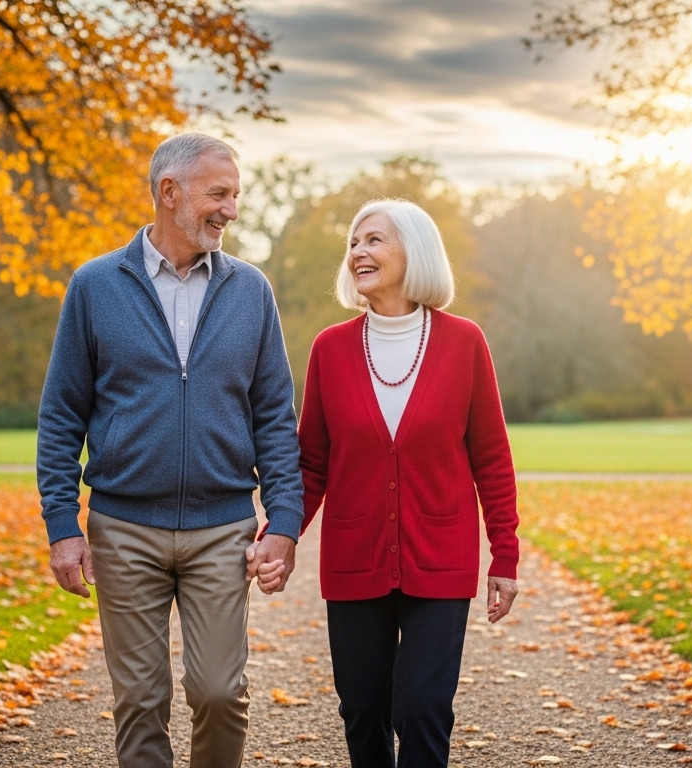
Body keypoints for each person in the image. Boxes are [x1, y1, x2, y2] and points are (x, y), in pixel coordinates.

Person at [37, 132, 303, 768]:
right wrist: (62, 526)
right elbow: (61, 415)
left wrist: (284, 522)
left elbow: (274, 416)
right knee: (139, 699)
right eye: (219, 194)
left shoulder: (250, 289)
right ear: (169, 191)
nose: (231, 210)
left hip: (222, 529)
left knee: (219, 692)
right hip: (123, 529)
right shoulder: (96, 285)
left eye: (235, 195)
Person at [295, 199, 520, 768]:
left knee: (423, 708)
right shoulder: (329, 349)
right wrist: (282, 533)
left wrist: (505, 556)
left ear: (413, 252)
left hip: (440, 556)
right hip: (354, 556)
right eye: (354, 242)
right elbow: (312, 463)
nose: (358, 252)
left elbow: (492, 458)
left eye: (374, 240)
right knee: (362, 709)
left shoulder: (464, 342)